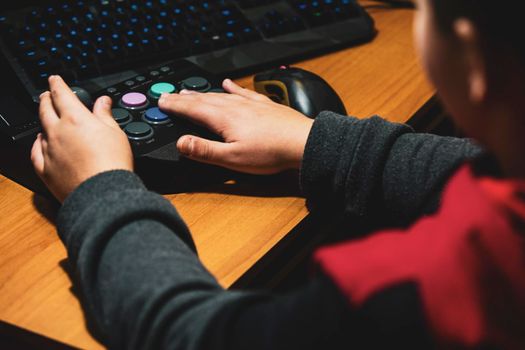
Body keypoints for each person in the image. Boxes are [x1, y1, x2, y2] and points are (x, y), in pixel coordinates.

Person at [30, 0, 525, 348]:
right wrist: (316, 141)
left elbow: (192, 336)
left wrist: (99, 188)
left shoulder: (428, 294)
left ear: (474, 63)